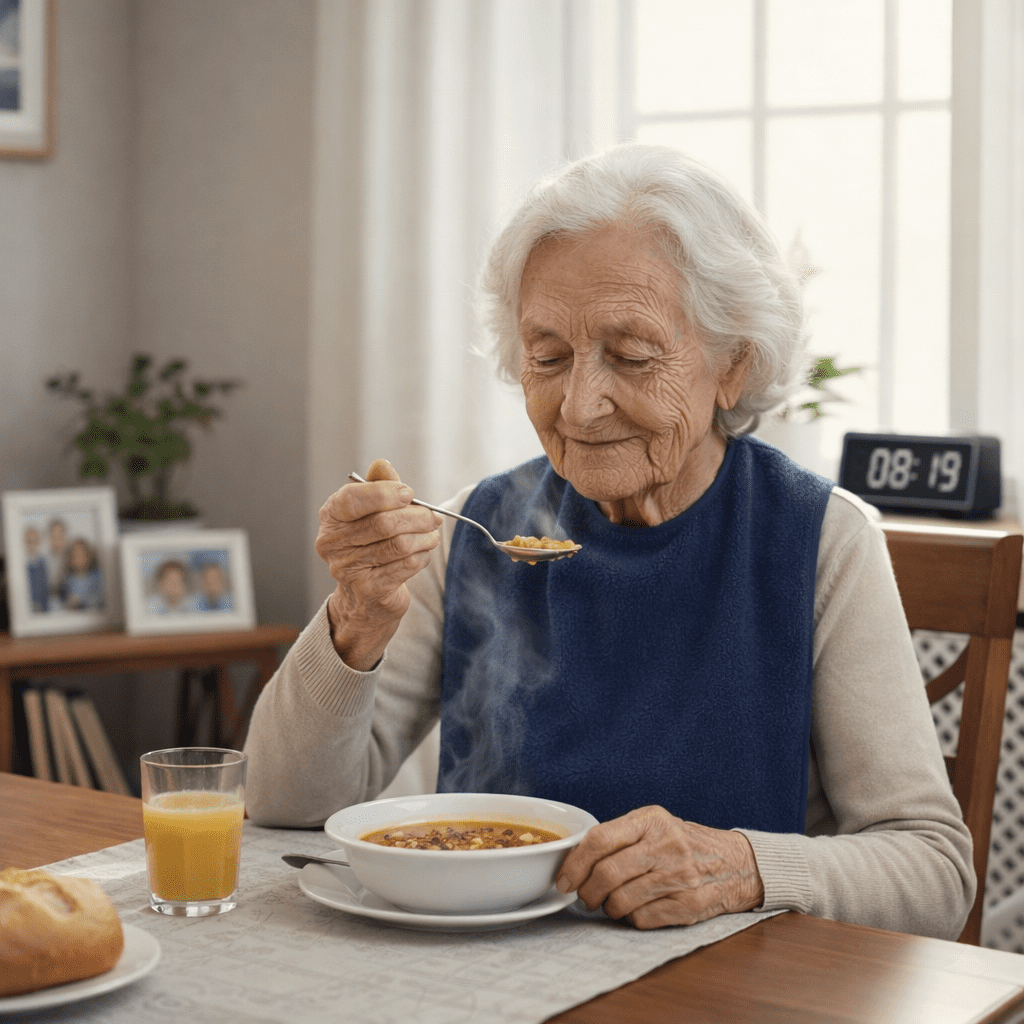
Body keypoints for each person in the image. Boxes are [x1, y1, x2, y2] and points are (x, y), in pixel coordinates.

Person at [244, 143, 974, 939]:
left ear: (735, 363)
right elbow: (283, 803)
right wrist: (355, 617)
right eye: (547, 357)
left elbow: (933, 870)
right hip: (488, 973)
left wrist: (740, 868)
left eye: (629, 355)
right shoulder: (477, 530)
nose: (581, 406)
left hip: (729, 991)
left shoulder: (822, 541)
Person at [60, 538, 105, 611]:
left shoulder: (97, 577)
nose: (79, 560)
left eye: (82, 555)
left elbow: (101, 599)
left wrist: (81, 600)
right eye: (75, 556)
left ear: (89, 557)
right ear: (70, 560)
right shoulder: (67, 580)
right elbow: (64, 602)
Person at [23, 526, 49, 613]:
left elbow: (45, 587)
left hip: (42, 607)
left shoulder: (43, 563)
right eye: (29, 542)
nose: (32, 545)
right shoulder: (22, 565)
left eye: (35, 542)